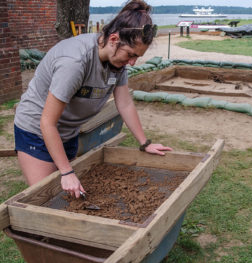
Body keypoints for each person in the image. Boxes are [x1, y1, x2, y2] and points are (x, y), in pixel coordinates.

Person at [14, 0, 172, 199]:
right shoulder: (75, 62)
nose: (131, 62)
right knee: (47, 197)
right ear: (113, 39)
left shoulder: (118, 64)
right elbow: (47, 122)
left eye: (137, 57)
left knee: (68, 195)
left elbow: (124, 103)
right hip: (36, 131)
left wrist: (144, 143)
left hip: (68, 132)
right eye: (130, 55)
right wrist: (67, 171)